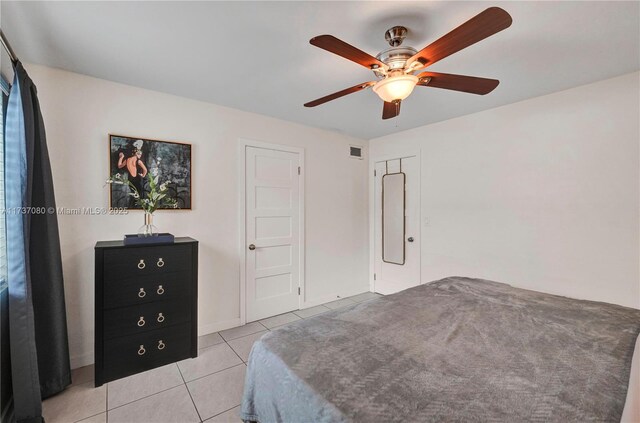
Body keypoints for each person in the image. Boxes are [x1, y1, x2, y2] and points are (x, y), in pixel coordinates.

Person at [117, 139, 148, 206]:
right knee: (138, 196)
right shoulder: (138, 161)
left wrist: (121, 157)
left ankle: (132, 206)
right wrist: (143, 175)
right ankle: (135, 206)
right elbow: (145, 170)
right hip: (137, 179)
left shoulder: (127, 160)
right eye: (139, 154)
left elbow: (119, 166)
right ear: (136, 153)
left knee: (134, 194)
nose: (140, 155)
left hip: (130, 179)